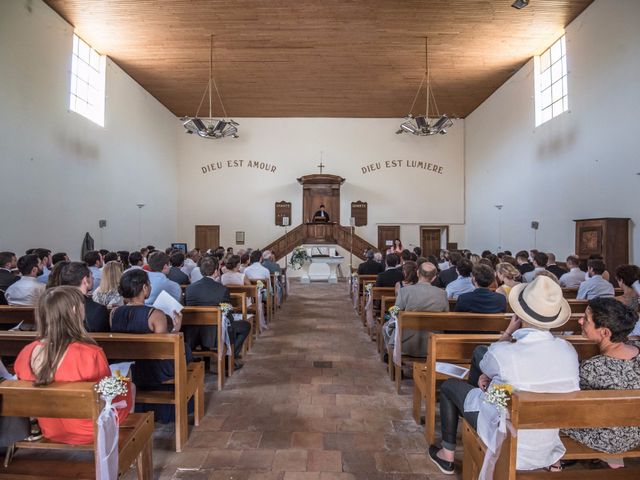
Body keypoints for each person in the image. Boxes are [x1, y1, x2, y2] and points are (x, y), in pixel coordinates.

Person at [428, 276, 579, 475]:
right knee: (482, 356)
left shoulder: (503, 353)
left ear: (519, 314)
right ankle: (476, 398)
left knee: (448, 387)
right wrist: (494, 379)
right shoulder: (568, 350)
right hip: (545, 437)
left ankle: (447, 454)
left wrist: (508, 333)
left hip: (507, 434)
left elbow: (488, 364)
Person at [14, 286, 131, 444]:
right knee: (128, 385)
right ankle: (120, 446)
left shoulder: (25, 353)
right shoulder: (90, 353)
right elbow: (106, 395)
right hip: (89, 428)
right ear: (76, 310)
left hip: (50, 428)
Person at [563, 297, 640, 462]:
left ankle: (554, 461)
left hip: (608, 439)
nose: (580, 320)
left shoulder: (593, 368)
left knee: (551, 415)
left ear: (605, 332)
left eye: (586, 319)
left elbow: (574, 408)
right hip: (636, 432)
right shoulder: (637, 351)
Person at [110, 268, 185, 422]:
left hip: (126, 369)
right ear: (144, 288)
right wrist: (176, 329)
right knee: (186, 352)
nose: (150, 287)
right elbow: (163, 350)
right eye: (149, 285)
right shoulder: (155, 314)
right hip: (151, 369)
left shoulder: (114, 313)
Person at [185, 257, 250, 364]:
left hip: (193, 334)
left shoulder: (190, 288)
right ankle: (228, 360)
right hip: (215, 334)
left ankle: (206, 362)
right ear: (215, 272)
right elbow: (228, 314)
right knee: (245, 326)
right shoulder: (221, 289)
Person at [384, 262, 448, 358]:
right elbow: (446, 316)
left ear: (418, 273)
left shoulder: (404, 291)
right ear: (434, 277)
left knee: (385, 327)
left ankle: (392, 361)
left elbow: (395, 313)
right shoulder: (442, 294)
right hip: (433, 342)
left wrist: (389, 317)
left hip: (406, 343)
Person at [59, 262, 110, 332]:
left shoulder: (53, 304)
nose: (93, 278)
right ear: (85, 280)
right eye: (91, 275)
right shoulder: (98, 310)